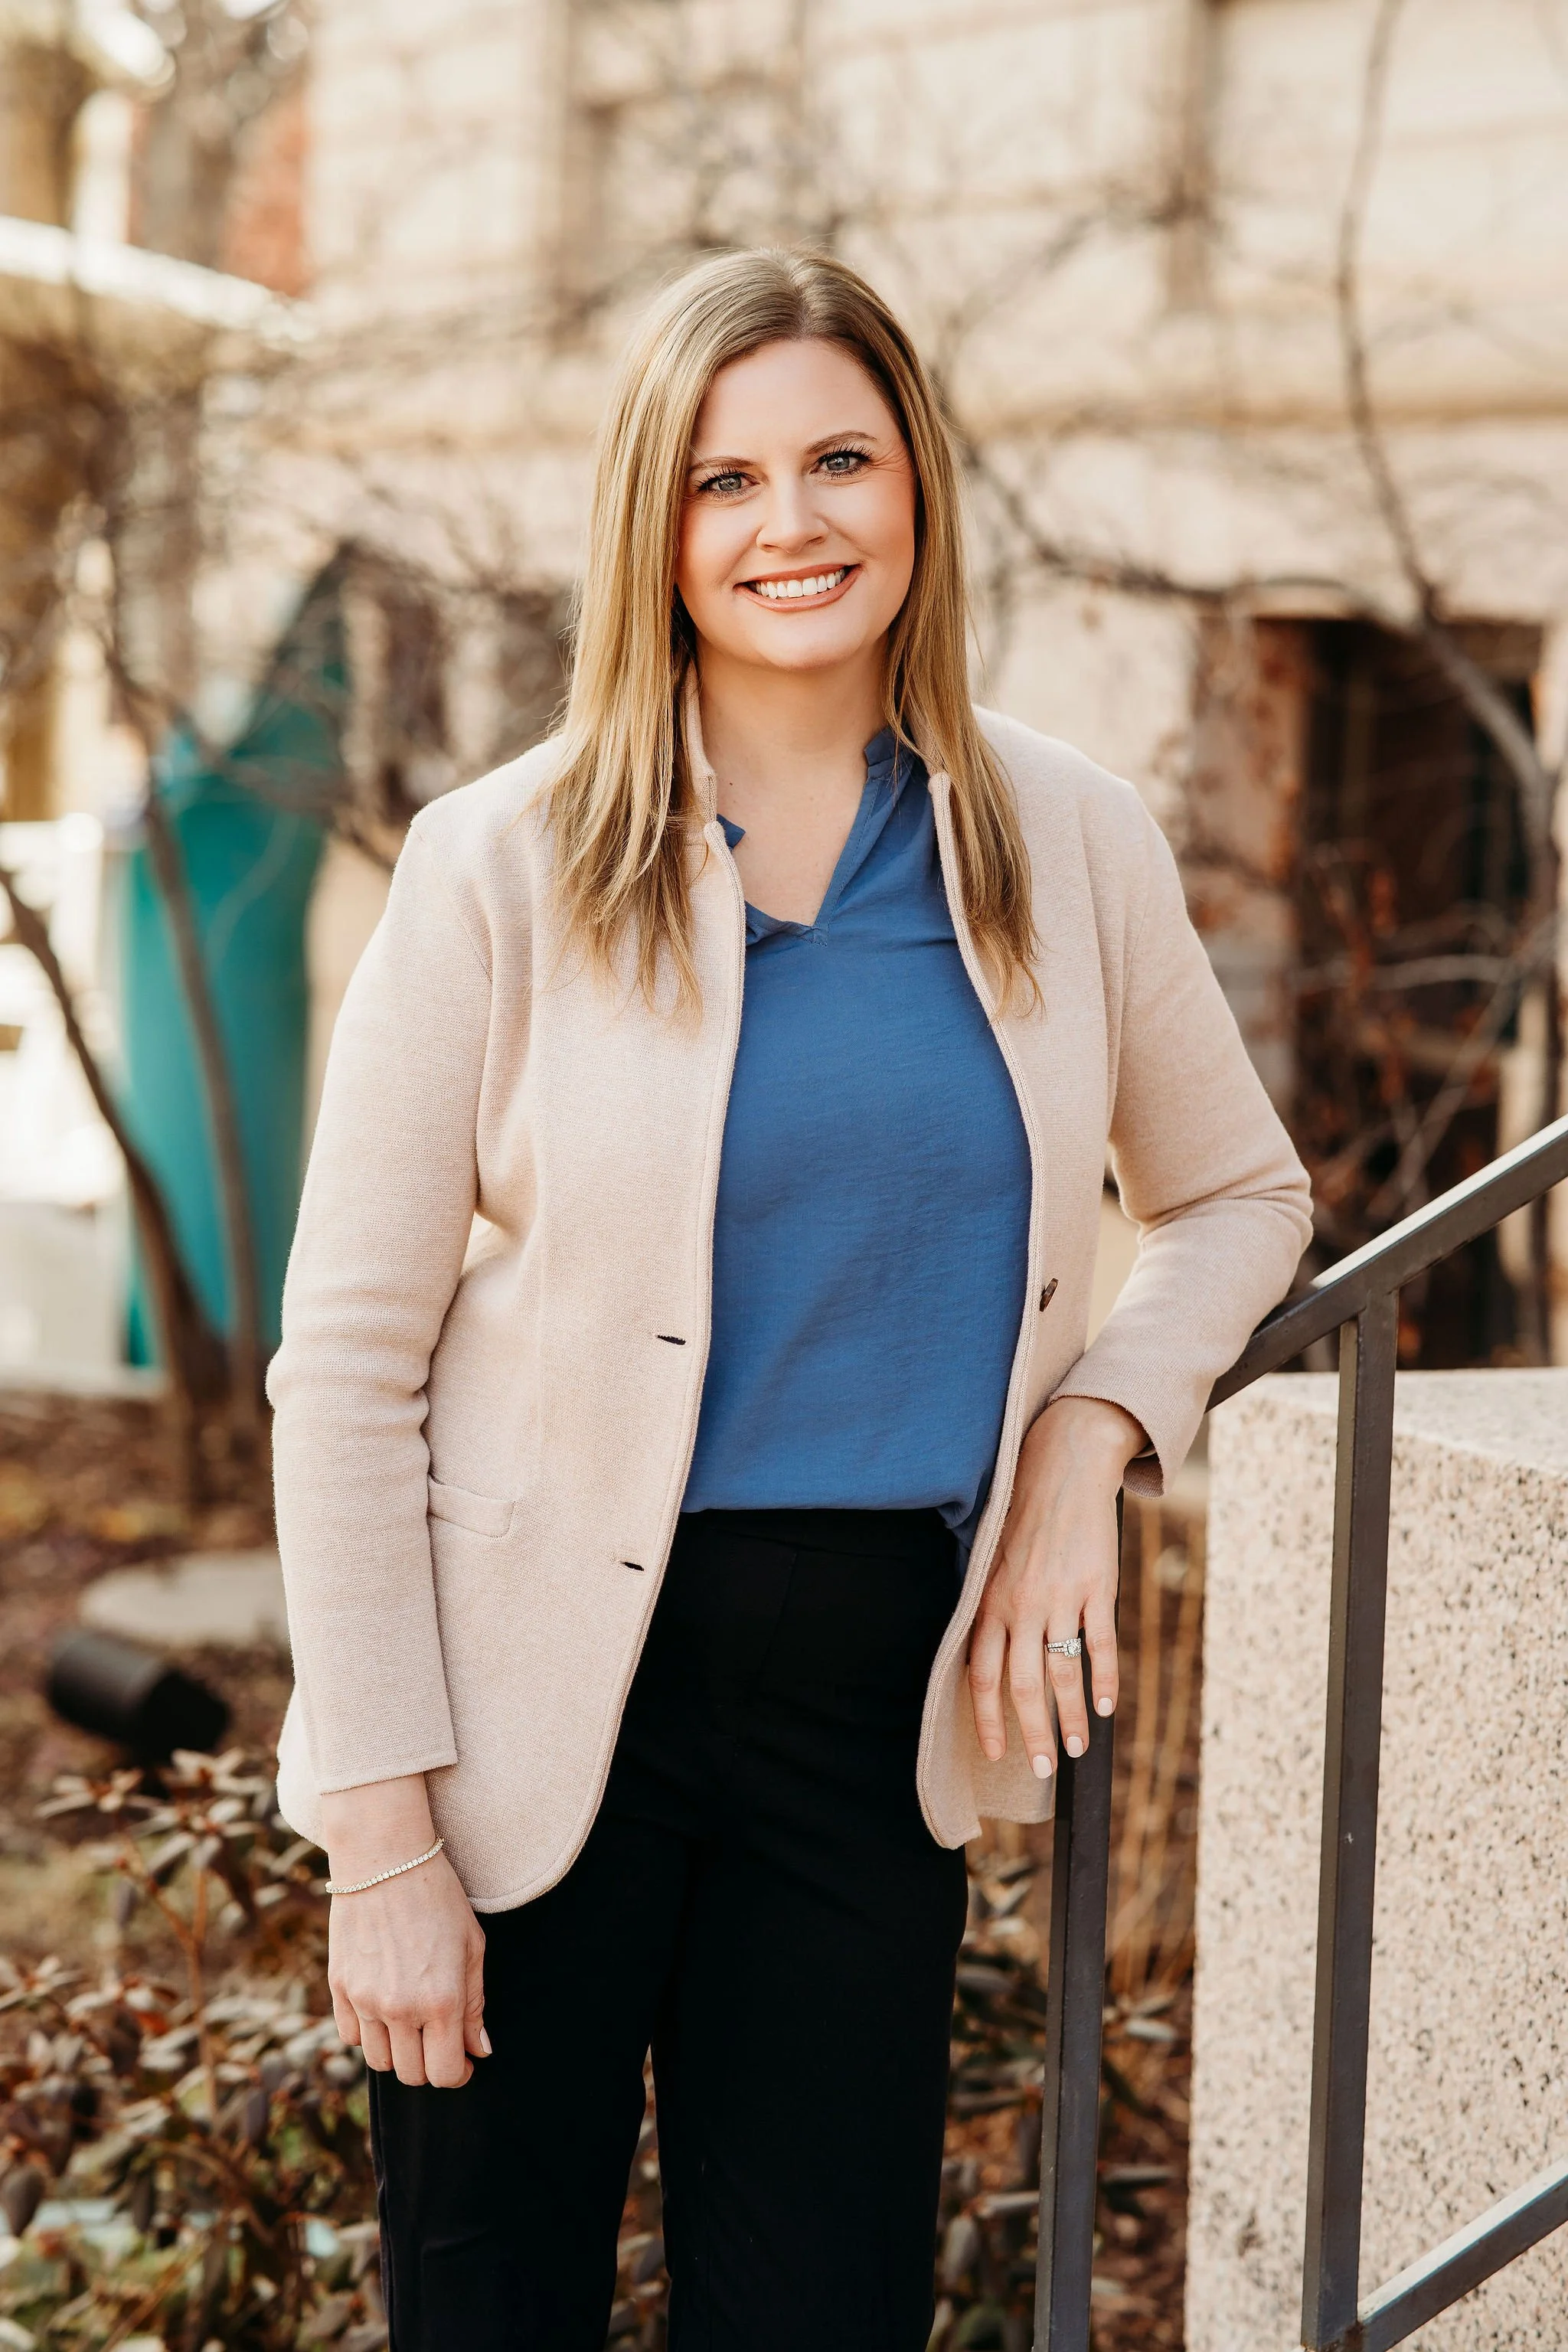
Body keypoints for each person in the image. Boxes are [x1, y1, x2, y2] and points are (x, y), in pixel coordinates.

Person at [268, 247, 1312, 2351]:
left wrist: (1092, 1439)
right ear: (650, 528)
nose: (793, 524)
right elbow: (347, 1360)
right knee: (490, 2306)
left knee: (822, 2313)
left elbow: (1239, 1195)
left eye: (841, 459)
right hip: (524, 1708)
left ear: (918, 485)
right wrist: (378, 1829)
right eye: (724, 481)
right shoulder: (502, 862)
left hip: (868, 1718)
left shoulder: (1067, 841)